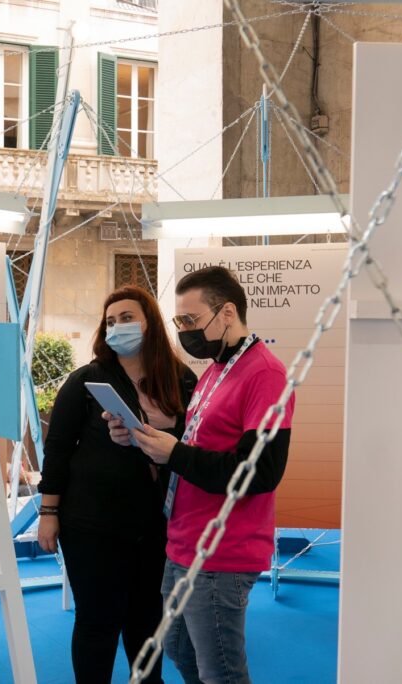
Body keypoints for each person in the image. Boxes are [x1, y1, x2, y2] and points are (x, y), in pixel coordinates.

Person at [108, 266, 294, 684]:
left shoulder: (265, 373)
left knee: (220, 673)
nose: (184, 331)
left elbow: (260, 472)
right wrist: (149, 441)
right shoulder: (215, 368)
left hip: (222, 550)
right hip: (184, 539)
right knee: (179, 651)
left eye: (191, 321)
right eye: (180, 322)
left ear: (227, 313)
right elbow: (198, 447)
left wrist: (174, 453)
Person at [38, 285, 198, 683]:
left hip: (156, 526)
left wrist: (168, 428)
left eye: (127, 318)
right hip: (90, 525)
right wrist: (49, 512)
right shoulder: (87, 382)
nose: (117, 327)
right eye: (110, 321)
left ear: (150, 324)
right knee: (97, 620)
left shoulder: (181, 380)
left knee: (148, 620)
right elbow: (56, 451)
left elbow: (199, 447)